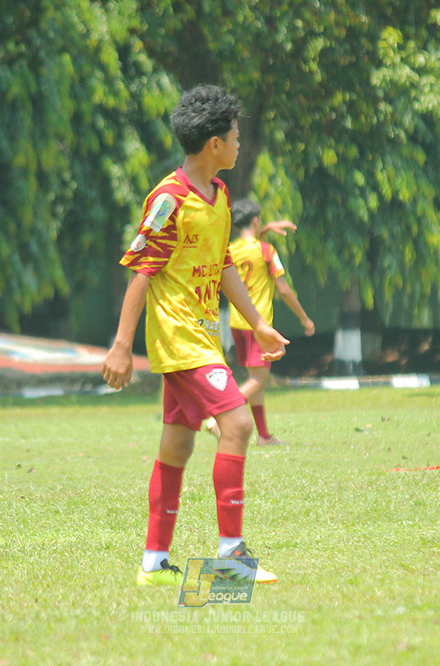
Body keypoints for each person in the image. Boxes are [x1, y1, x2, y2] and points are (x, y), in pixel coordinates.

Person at [101, 84, 290, 587]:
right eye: (234, 136)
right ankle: (231, 557)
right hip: (178, 339)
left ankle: (154, 563)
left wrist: (259, 322)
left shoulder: (220, 195)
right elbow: (141, 271)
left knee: (177, 449)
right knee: (238, 424)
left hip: (203, 337)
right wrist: (122, 346)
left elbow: (223, 264)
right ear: (213, 145)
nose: (238, 143)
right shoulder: (168, 199)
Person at [222, 199, 315, 446]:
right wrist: (304, 318)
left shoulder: (230, 249)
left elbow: (252, 243)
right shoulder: (267, 251)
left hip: (237, 323)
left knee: (257, 383)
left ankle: (264, 436)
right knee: (258, 381)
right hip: (259, 324)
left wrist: (266, 227)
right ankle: (218, 417)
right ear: (255, 220)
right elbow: (283, 290)